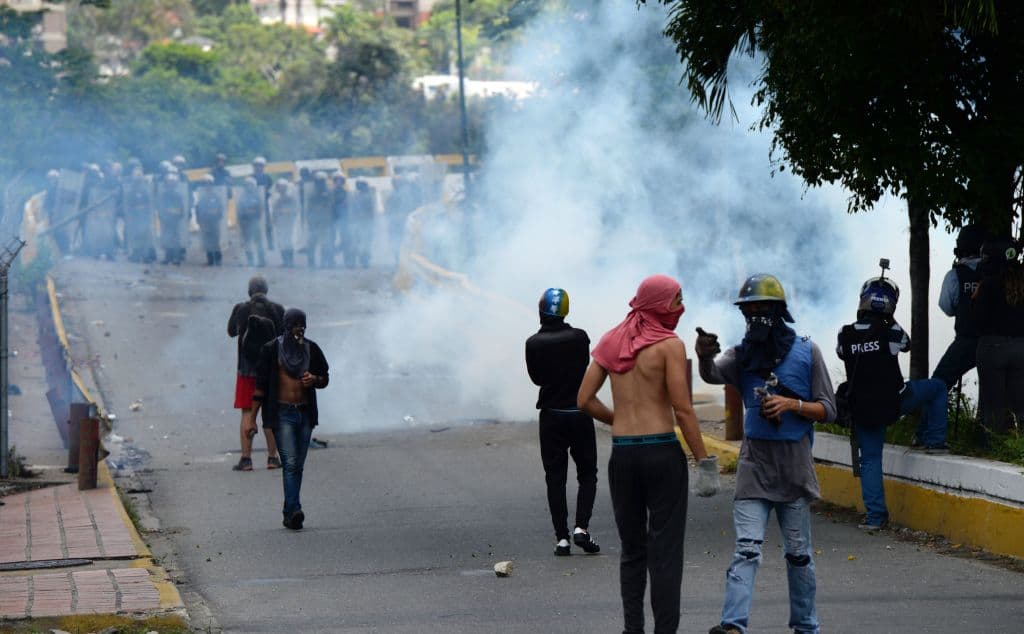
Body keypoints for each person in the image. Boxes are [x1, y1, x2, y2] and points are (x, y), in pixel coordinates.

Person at [578, 274, 719, 634]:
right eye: (675, 302)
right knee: (666, 553)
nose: (679, 308)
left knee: (632, 550)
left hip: (623, 456)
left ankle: (633, 629)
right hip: (661, 453)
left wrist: (618, 419)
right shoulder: (670, 345)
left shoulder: (611, 341)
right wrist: (705, 462)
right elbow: (683, 409)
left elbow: (584, 400)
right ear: (658, 303)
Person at [697, 273, 834, 634]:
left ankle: (806, 625)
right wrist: (702, 356)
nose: (754, 315)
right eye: (748, 309)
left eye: (761, 308)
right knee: (746, 549)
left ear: (777, 311)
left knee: (799, 556)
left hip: (794, 470)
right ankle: (733, 626)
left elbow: (828, 409)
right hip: (754, 467)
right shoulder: (741, 356)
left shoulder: (807, 350)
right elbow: (713, 375)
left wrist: (792, 404)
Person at [837, 270, 950, 531]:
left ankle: (875, 518)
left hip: (863, 408)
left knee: (871, 460)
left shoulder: (845, 334)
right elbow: (907, 343)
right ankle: (933, 440)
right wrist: (889, 320)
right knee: (937, 388)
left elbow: (843, 353)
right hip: (895, 401)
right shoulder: (890, 333)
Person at [525, 288, 600, 557]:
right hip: (579, 412)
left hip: (551, 415)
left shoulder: (533, 343)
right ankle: (582, 527)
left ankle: (562, 539)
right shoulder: (580, 338)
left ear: (541, 311)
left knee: (555, 478)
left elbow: (537, 379)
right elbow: (583, 366)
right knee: (587, 473)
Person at [252, 308, 330, 530]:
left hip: (305, 414)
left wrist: (314, 379)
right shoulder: (271, 350)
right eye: (295, 325)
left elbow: (325, 378)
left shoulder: (311, 349)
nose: (300, 330)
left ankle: (289, 511)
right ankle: (295, 510)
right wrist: (251, 419)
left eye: (303, 325)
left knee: (298, 465)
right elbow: (260, 387)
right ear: (286, 326)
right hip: (282, 414)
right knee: (291, 463)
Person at [228, 276, 285, 471]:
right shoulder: (277, 309)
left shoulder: (241, 309)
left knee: (246, 413)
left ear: (249, 291)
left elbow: (231, 332)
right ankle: (272, 458)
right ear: (266, 290)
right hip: (270, 371)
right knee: (269, 414)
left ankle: (246, 460)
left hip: (246, 371)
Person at [972, 239, 1024, 439]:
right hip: (1021, 348)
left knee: (994, 406)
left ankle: (993, 446)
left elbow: (977, 321)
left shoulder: (988, 285)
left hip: (992, 348)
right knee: (1020, 404)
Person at [933, 224, 992, 392]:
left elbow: (947, 308)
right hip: (996, 340)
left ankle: (930, 418)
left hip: (966, 340)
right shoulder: (997, 273)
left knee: (938, 383)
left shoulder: (954, 275)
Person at [122, 166, 156, 263]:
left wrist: (147, 213)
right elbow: (128, 203)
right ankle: (136, 253)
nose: (137, 182)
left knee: (145, 235)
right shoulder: (130, 191)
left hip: (144, 215)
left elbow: (149, 203)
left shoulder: (145, 190)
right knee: (135, 235)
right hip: (134, 215)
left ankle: (146, 255)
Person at [303, 171, 334, 268]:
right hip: (314, 221)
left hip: (325, 221)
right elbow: (309, 206)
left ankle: (324, 262)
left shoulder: (328, 191)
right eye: (318, 181)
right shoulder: (311, 191)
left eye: (322, 181)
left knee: (325, 243)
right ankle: (311, 262)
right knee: (312, 242)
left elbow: (330, 205)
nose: (320, 183)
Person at [156, 171, 187, 265]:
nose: (170, 184)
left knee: (175, 239)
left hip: (174, 219)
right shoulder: (163, 195)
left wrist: (175, 215)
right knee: (166, 238)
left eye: (172, 182)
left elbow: (181, 209)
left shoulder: (178, 195)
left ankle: (176, 258)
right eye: (169, 182)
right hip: (166, 219)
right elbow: (161, 207)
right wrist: (163, 216)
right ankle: (168, 257)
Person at [194, 175, 225, 266]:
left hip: (214, 221)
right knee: (207, 241)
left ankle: (218, 259)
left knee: (215, 240)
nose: (207, 186)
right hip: (205, 222)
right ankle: (210, 260)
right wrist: (198, 220)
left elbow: (220, 209)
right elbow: (198, 209)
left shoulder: (216, 196)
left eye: (209, 184)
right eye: (205, 184)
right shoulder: (201, 197)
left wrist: (216, 216)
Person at [236, 177, 266, 267]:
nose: (249, 187)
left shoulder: (257, 196)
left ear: (254, 186)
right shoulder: (242, 198)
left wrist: (253, 214)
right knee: (248, 243)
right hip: (245, 223)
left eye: (251, 185)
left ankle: (261, 261)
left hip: (255, 222)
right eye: (247, 185)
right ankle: (250, 261)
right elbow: (240, 211)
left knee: (259, 242)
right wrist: (241, 222)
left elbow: (260, 209)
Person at [269, 178, 300, 267]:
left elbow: (296, 209)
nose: (281, 189)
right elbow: (274, 211)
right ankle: (285, 261)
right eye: (279, 187)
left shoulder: (291, 198)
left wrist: (287, 212)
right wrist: (274, 219)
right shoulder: (276, 199)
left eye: (283, 187)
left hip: (289, 223)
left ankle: (290, 262)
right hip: (280, 224)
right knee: (281, 242)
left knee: (288, 242)